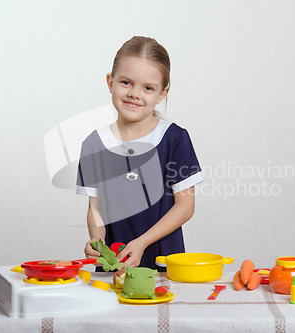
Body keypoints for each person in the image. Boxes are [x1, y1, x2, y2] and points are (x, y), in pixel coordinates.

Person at [77, 36, 203, 270]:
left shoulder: (175, 139)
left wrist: (142, 243)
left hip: (164, 266)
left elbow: (185, 207)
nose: (135, 93)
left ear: (162, 93)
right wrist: (98, 241)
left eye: (147, 88)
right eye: (126, 82)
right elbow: (95, 208)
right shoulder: (94, 144)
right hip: (115, 268)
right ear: (110, 82)